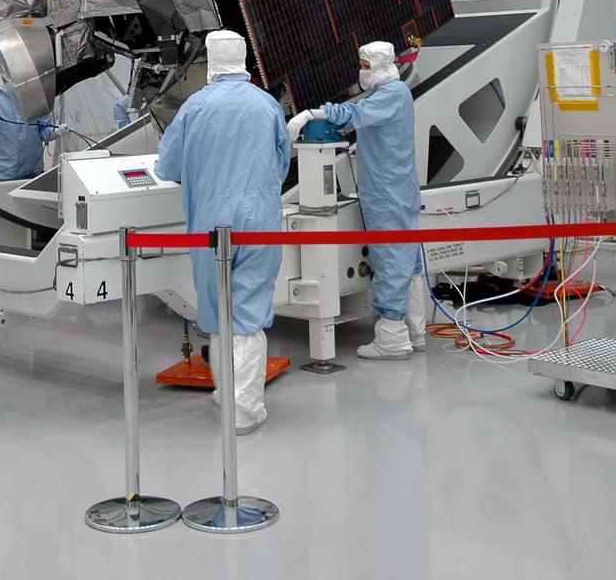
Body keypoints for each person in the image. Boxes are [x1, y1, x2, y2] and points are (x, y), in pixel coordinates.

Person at [154, 29, 291, 433]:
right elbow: (282, 164)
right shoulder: (266, 106)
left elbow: (168, 167)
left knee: (217, 313)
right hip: (261, 221)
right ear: (243, 58)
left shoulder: (195, 108)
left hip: (211, 225)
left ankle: (229, 397)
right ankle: (244, 408)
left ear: (212, 61)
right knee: (248, 314)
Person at [288, 42, 426, 359]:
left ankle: (393, 337)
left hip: (387, 193)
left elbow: (353, 115)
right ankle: (415, 330)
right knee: (407, 259)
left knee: (391, 259)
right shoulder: (388, 94)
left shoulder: (392, 94)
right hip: (394, 190)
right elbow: (355, 119)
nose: (361, 71)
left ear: (378, 65)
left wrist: (314, 113)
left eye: (364, 65)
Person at [0, 73, 55, 180]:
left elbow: (44, 132)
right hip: (5, 174)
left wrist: (55, 132)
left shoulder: (33, 100)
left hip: (33, 172)